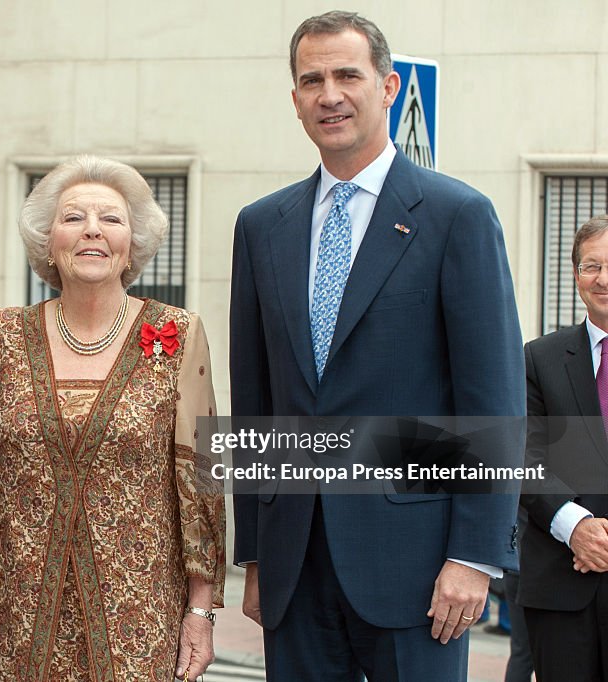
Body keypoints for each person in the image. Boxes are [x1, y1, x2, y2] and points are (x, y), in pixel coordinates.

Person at [229, 11, 524, 681]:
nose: (329, 94)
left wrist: (473, 558)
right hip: (294, 567)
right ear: (296, 100)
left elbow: (493, 399)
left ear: (388, 87)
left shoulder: (457, 217)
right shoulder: (261, 226)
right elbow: (256, 403)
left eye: (346, 75)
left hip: (420, 572)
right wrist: (254, 554)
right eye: (311, 80)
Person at [0, 155, 224, 680]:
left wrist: (200, 610)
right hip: (19, 610)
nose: (92, 231)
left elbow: (202, 478)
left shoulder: (177, 333)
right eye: (74, 217)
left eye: (111, 219)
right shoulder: (4, 335)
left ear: (132, 246)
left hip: (139, 615)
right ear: (48, 243)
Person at [518, 215, 608, 681]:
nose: (603, 279)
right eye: (591, 266)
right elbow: (520, 455)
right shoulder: (540, 358)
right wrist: (575, 527)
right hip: (561, 587)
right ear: (576, 275)